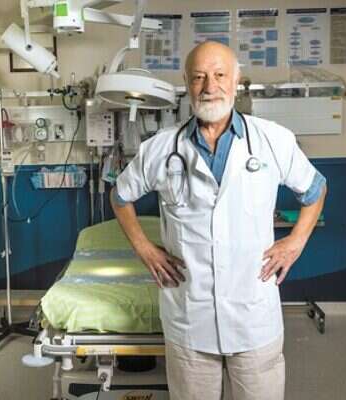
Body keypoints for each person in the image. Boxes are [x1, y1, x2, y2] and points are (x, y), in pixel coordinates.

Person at [110, 41, 327, 400]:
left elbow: (316, 190)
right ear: (186, 83)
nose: (210, 86)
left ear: (237, 80)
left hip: (253, 317)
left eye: (220, 75)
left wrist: (296, 242)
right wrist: (145, 248)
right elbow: (119, 196)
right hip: (189, 317)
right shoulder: (160, 149)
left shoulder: (273, 140)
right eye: (199, 77)